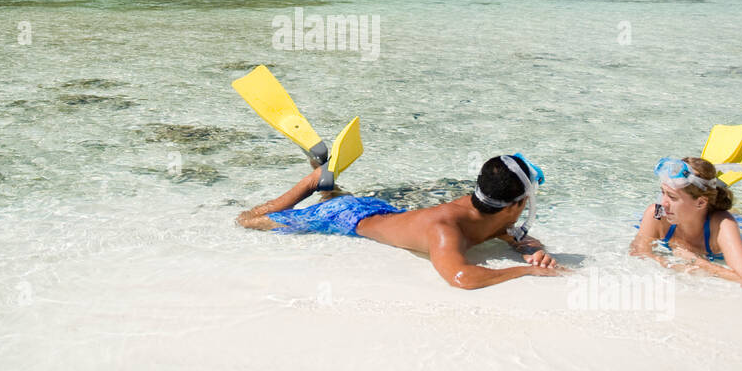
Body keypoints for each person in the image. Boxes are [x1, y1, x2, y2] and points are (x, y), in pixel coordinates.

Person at [237, 154, 565, 289]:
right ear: (518, 204)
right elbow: (462, 277)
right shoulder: (444, 231)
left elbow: (516, 237)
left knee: (342, 198)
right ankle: (313, 182)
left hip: (377, 209)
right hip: (342, 218)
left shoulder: (492, 214)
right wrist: (526, 270)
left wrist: (532, 252)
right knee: (250, 221)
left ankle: (328, 186)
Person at [629, 156, 742, 288]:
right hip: (699, 214)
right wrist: (672, 265)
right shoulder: (656, 213)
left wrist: (696, 261)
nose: (663, 203)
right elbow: (639, 253)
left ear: (701, 202)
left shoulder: (723, 225)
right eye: (663, 192)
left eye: (672, 197)